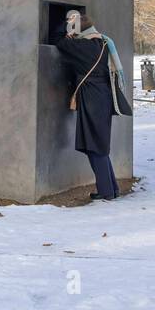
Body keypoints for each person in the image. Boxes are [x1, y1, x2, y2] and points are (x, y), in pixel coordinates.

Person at [54, 10, 132, 201]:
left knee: (95, 146)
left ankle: (106, 191)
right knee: (99, 144)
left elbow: (59, 41)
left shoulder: (82, 45)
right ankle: (110, 188)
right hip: (102, 96)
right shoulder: (103, 42)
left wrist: (66, 26)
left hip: (92, 98)